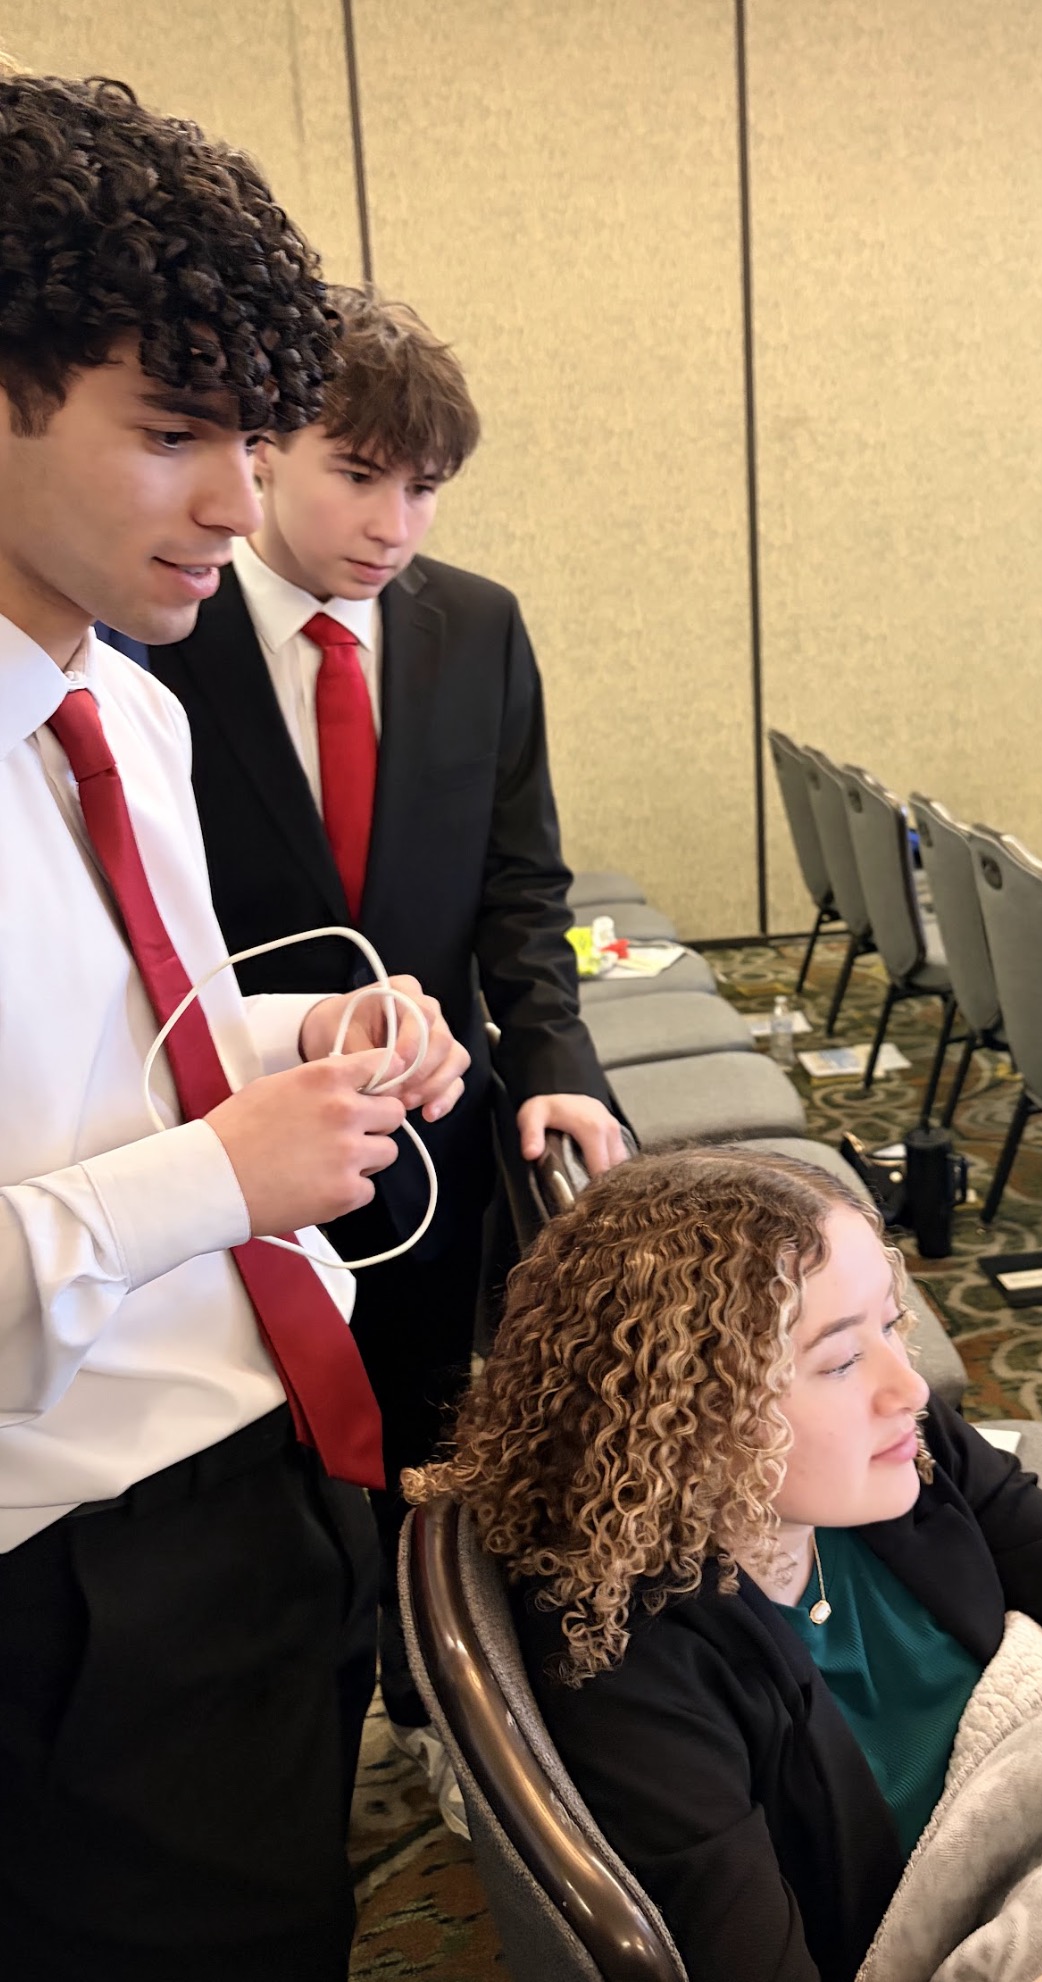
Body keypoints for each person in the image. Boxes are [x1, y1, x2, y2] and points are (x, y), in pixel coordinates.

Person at [0, 75, 468, 1982]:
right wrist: (218, 1174)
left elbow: (133, 1040)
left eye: (255, 438)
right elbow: (163, 1157)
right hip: (76, 1562)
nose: (236, 501)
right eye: (172, 432)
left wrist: (298, 1035)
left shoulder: (123, 703)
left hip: (273, 1458)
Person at [411, 1148, 1042, 1982]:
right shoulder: (631, 1666)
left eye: (891, 1325)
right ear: (681, 1417)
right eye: (839, 1358)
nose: (906, 1386)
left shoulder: (896, 1462)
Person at [150, 284, 626, 1766]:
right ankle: (295, 1717)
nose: (393, 524)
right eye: (359, 474)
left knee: (426, 1423)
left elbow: (521, 885)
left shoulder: (476, 625)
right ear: (266, 452)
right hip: (219, 1128)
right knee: (253, 1456)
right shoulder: (153, 631)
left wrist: (554, 1062)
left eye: (424, 488)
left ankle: (433, 1704)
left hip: (431, 1122)